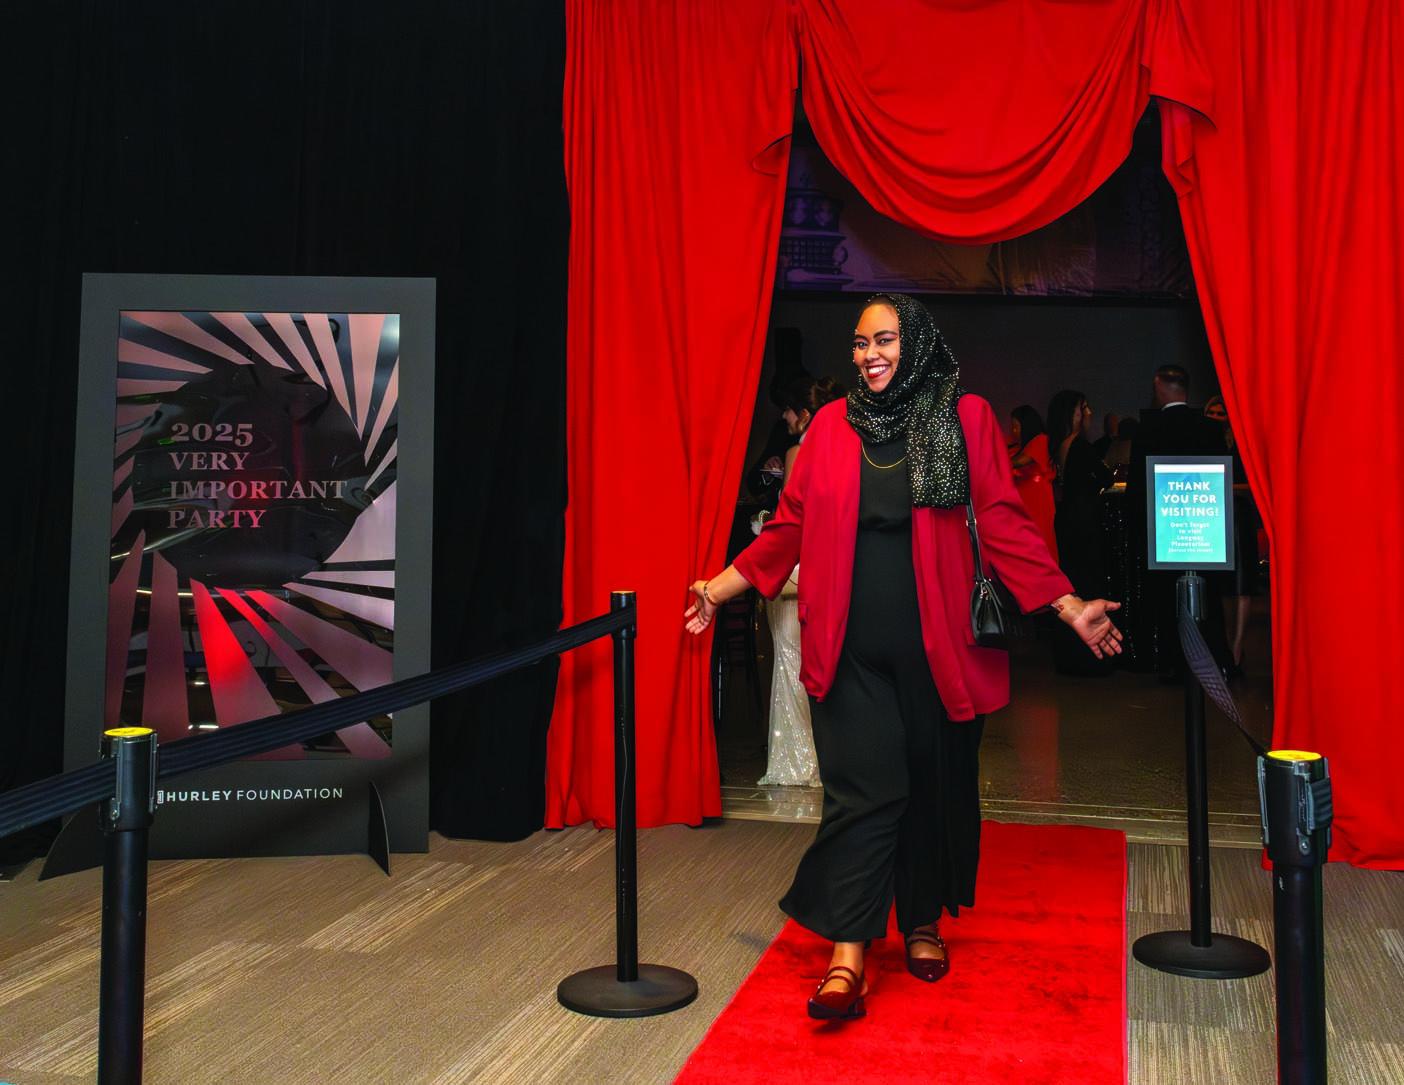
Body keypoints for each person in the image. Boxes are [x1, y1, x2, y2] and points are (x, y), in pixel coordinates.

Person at [683, 293, 1123, 1021]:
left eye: (884, 340)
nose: (870, 355)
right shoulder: (831, 427)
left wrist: (1067, 603)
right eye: (860, 343)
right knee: (861, 792)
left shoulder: (963, 417)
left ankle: (920, 920)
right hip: (847, 646)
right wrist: (718, 587)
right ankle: (848, 954)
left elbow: (1003, 521)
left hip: (938, 646)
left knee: (928, 785)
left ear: (915, 342)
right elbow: (789, 527)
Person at [758, 376, 846, 788]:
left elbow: (792, 521)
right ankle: (827, 758)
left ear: (806, 414)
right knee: (819, 660)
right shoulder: (842, 448)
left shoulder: (799, 451)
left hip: (796, 566)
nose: (785, 417)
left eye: (789, 410)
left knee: (790, 658)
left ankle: (796, 761)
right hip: (829, 566)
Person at [1127, 365, 1234, 679]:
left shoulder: (1147, 432)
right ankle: (1214, 660)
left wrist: (1138, 532)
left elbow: (1137, 491)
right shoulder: (1211, 430)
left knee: (1165, 599)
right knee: (1209, 597)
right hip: (1205, 532)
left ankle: (1175, 663)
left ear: (1159, 389)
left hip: (1164, 534)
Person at [1046, 389, 1116, 675]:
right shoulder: (1080, 445)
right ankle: (1088, 659)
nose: (1088, 413)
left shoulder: (1059, 444)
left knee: (1071, 585)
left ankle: (1071, 655)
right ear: (1072, 414)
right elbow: (1105, 478)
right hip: (1084, 524)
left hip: (1066, 521)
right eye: (1083, 408)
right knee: (1088, 584)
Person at [1204, 394, 1260, 674]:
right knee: (1220, 586)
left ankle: (1236, 650)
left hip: (1240, 518)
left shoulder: (1244, 443)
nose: (1216, 418)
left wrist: (1223, 485)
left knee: (1241, 585)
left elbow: (1255, 485)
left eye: (1221, 413)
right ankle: (1227, 649)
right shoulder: (1203, 441)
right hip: (1213, 516)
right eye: (1211, 414)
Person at [1008, 405, 1058, 561]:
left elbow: (1019, 462)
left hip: (1037, 503)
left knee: (1039, 542)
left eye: (1016, 426)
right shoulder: (1019, 448)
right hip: (1026, 504)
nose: (1014, 431)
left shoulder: (1041, 440)